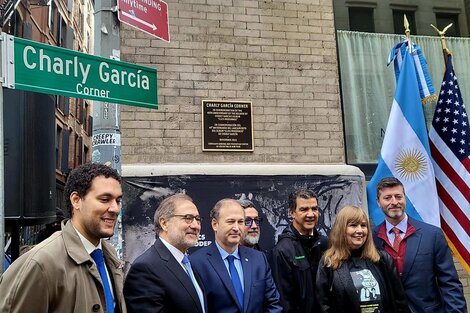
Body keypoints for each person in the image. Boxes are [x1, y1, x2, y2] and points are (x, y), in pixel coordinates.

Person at [0, 162, 126, 313]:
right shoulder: (41, 264)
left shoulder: (109, 255)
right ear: (76, 200)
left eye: (118, 200)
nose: (115, 209)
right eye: (105, 199)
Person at [372, 177, 467, 313]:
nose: (394, 202)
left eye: (398, 196)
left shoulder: (432, 235)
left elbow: (449, 283)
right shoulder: (371, 238)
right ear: (378, 202)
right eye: (387, 198)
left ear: (405, 198)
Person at [190, 198, 282, 313]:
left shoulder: (259, 259)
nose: (236, 228)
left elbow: (273, 304)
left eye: (240, 222)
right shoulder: (197, 263)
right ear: (215, 224)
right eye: (230, 221)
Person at [316, 206, 409, 313]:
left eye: (363, 225)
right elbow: (324, 305)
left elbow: (400, 300)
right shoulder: (328, 262)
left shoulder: (382, 258)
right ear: (341, 229)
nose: (359, 230)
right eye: (353, 225)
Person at [124, 194, 205, 313]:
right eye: (188, 218)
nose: (195, 225)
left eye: (197, 219)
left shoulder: (189, 263)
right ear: (164, 223)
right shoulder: (145, 268)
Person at [269, 189, 328, 313]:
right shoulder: (282, 251)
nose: (311, 214)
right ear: (292, 213)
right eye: (304, 209)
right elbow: (284, 302)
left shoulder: (325, 244)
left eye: (314, 209)